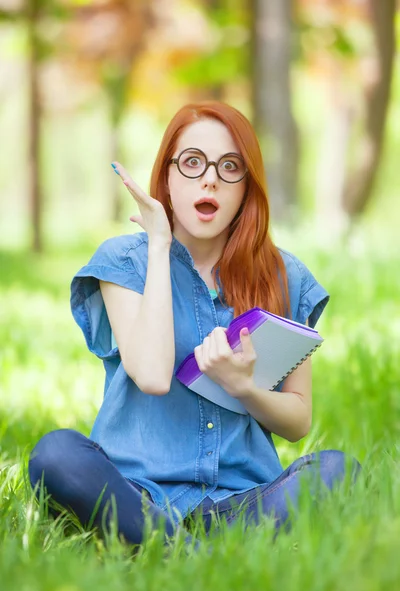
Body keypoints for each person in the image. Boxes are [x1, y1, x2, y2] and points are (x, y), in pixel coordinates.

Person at [28, 101, 360, 551]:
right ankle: (185, 553)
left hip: (241, 499)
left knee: (339, 470)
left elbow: (298, 420)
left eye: (229, 167)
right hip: (136, 494)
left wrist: (245, 387)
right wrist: (159, 246)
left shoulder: (284, 276)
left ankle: (166, 549)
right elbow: (151, 375)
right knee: (56, 455)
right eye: (192, 162)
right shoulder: (124, 262)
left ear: (247, 186)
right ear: (167, 177)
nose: (210, 179)